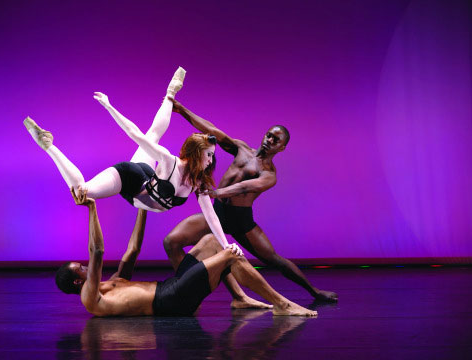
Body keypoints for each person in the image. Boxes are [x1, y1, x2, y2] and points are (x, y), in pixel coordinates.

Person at [23, 68, 232, 263]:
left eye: (212, 156)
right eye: (208, 155)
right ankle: (48, 145)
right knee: (82, 191)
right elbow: (134, 134)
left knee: (153, 134)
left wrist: (226, 246)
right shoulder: (170, 161)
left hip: (146, 175)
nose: (210, 161)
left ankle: (170, 93)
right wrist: (109, 106)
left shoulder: (198, 182)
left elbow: (210, 216)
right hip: (130, 180)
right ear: (195, 154)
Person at [163, 99, 338, 302]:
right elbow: (211, 130)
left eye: (276, 140)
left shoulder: (269, 174)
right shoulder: (241, 149)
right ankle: (185, 291)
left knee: (274, 260)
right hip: (218, 214)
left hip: (241, 221)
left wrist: (217, 193)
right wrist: (182, 110)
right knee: (171, 242)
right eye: (269, 135)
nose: (270, 140)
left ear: (282, 147)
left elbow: (245, 187)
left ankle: (314, 291)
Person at [55, 187, 318, 317]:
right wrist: (92, 208)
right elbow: (97, 251)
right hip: (170, 302)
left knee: (212, 242)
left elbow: (132, 249)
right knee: (229, 254)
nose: (86, 265)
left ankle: (239, 297)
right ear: (78, 281)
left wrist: (143, 204)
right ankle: (281, 304)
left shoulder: (109, 283)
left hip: (172, 287)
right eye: (81, 267)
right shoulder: (89, 298)